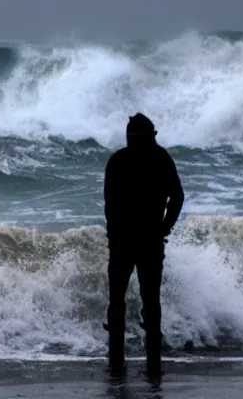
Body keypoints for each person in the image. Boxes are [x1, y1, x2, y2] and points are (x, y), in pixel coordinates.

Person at [103, 113, 185, 376]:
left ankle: (116, 360)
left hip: (124, 241)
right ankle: (152, 364)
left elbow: (109, 205)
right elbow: (178, 197)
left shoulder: (118, 161)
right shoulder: (161, 159)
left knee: (118, 301)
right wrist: (164, 227)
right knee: (150, 302)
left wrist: (113, 234)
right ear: (151, 136)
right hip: (148, 240)